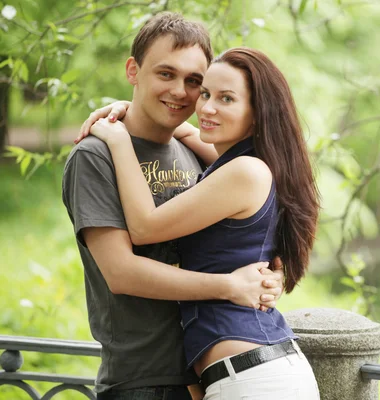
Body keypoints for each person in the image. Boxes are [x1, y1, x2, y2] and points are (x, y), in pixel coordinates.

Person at [62, 13, 284, 400]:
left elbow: (247, 230)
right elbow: (121, 273)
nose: (181, 92)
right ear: (134, 70)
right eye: (166, 74)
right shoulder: (95, 156)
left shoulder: (197, 152)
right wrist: (229, 287)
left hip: (212, 373)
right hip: (144, 379)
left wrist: (268, 278)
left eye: (194, 82)